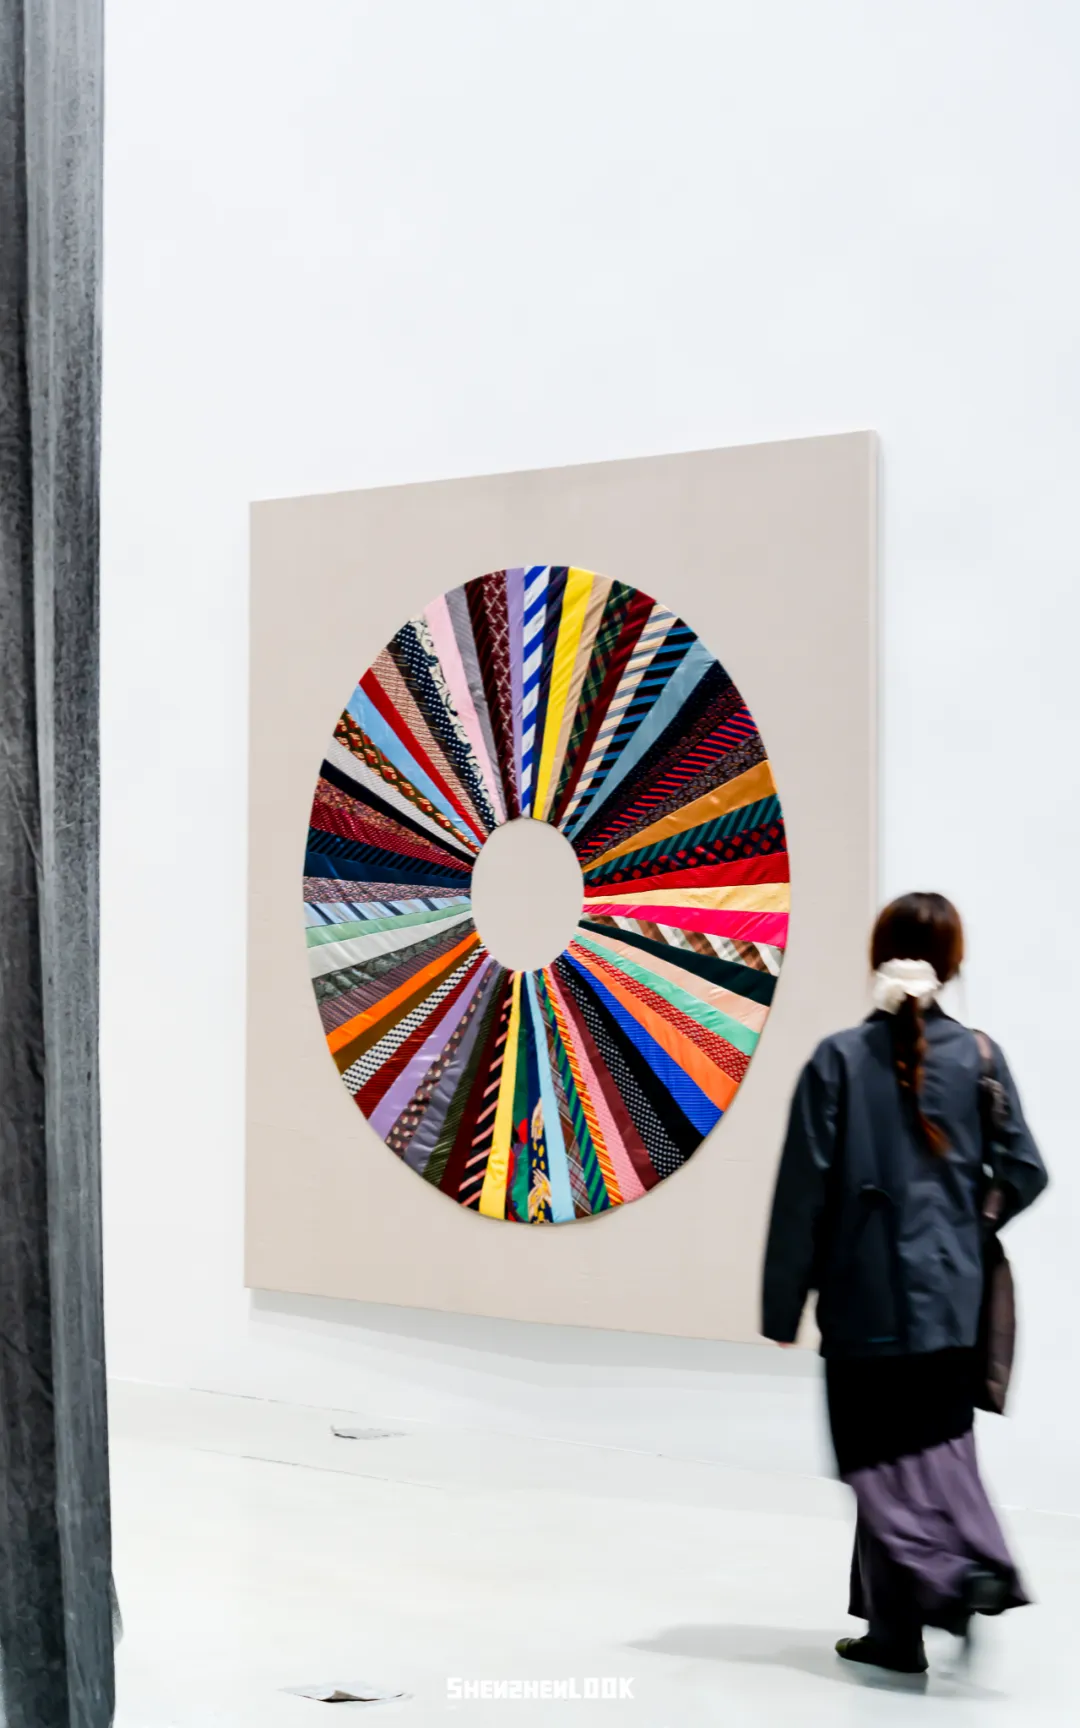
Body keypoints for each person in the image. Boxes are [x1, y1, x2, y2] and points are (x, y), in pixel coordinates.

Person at [761, 892, 1048, 1675]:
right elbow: (1024, 1170)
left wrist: (783, 1305)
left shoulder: (838, 1060)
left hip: (864, 1301)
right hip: (952, 1303)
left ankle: (958, 1573)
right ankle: (896, 1631)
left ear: (876, 956)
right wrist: (970, 1225)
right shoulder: (980, 1057)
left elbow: (802, 1196)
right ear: (951, 965)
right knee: (930, 1450)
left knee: (876, 1461)